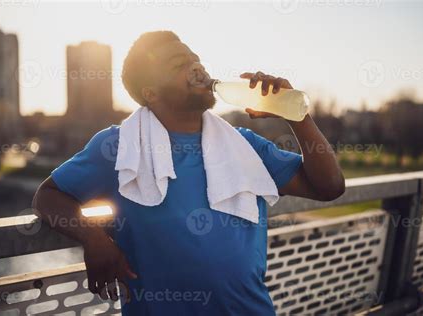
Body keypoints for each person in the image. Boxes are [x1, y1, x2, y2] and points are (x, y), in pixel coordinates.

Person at [32, 30, 345, 316]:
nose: (198, 68)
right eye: (179, 63)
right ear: (151, 93)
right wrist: (94, 238)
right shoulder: (119, 146)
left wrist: (296, 114)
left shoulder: (244, 144)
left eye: (196, 60)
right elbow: (47, 196)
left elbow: (329, 187)